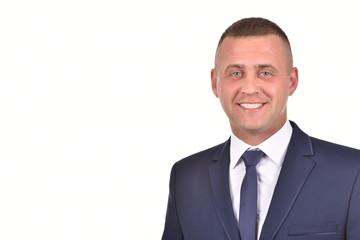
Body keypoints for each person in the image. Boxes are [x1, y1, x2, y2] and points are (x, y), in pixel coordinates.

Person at [162, 17, 360, 240]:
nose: (249, 88)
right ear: (215, 82)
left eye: (265, 73)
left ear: (292, 81)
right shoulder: (186, 177)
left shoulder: (352, 173)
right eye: (235, 73)